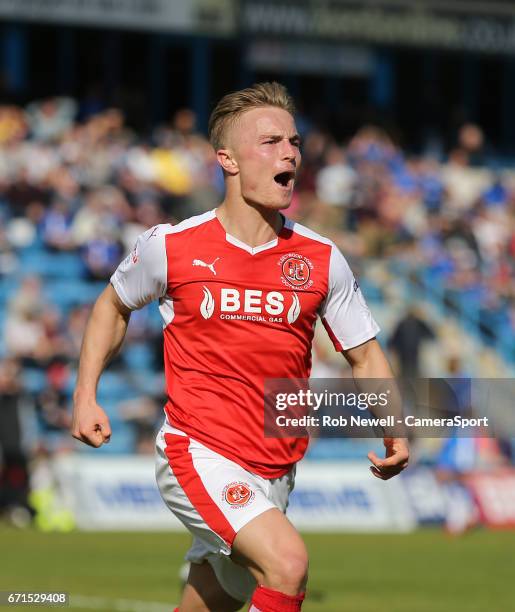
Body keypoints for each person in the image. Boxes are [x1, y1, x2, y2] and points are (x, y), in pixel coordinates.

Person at [71, 82, 409, 612]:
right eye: (271, 142)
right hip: (197, 449)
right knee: (287, 565)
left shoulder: (321, 258)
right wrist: (86, 394)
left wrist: (394, 427)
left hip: (275, 468)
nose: (290, 154)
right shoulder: (172, 245)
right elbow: (111, 306)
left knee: (213, 600)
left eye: (294, 142)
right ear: (227, 159)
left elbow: (363, 354)